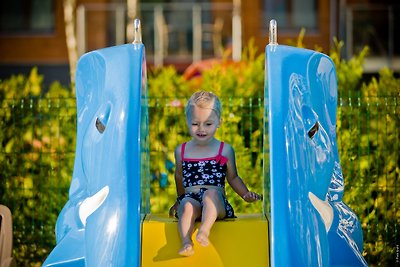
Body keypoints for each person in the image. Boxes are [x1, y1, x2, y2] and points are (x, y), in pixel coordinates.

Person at [169, 91, 261, 257]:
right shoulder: (181, 151)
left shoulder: (224, 150)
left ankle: (204, 230)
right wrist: (180, 200)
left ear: (219, 122)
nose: (201, 129)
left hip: (216, 204)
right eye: (195, 124)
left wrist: (245, 194)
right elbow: (179, 177)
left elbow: (233, 177)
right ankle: (186, 242)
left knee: (210, 194)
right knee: (187, 206)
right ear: (187, 122)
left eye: (208, 124)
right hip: (193, 200)